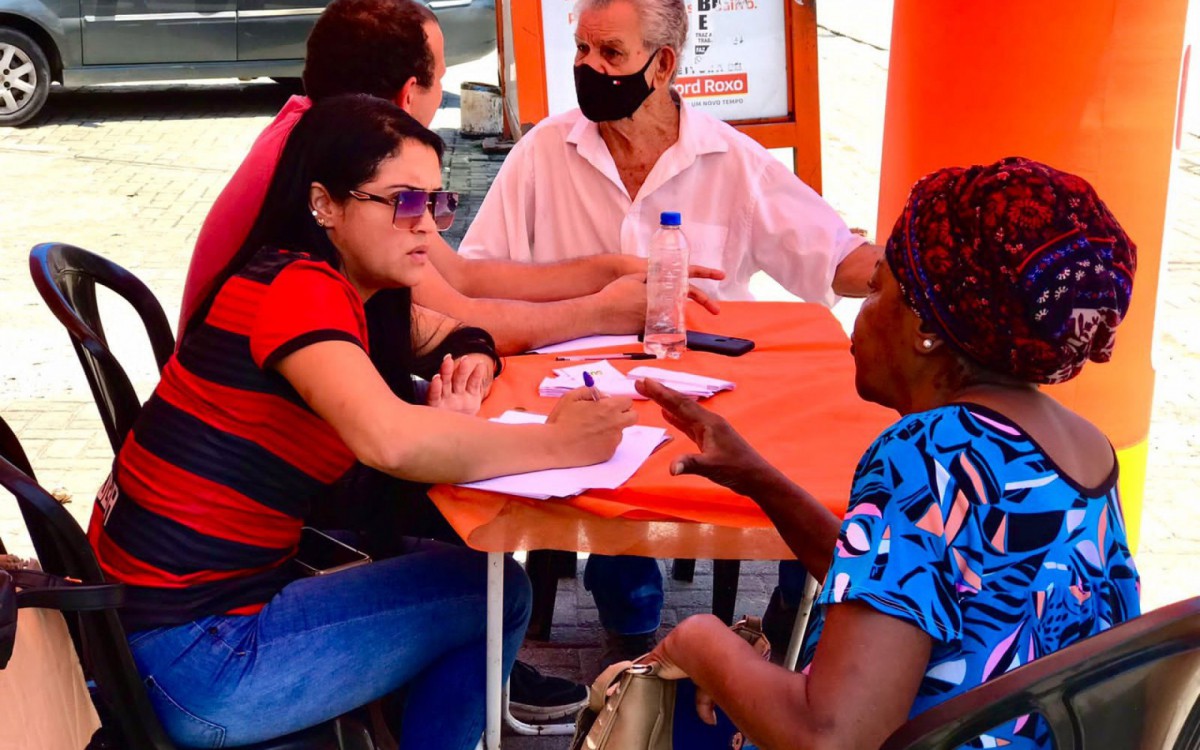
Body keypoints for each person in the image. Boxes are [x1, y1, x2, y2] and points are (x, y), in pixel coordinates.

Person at [88, 94, 637, 749]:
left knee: (452, 567)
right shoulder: (299, 291)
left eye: (438, 204)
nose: (428, 228)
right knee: (496, 593)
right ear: (325, 204)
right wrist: (558, 442)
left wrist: (471, 354)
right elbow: (392, 442)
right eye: (404, 202)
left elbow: (455, 332)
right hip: (194, 659)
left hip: (149, 631)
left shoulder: (320, 286)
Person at [635, 156, 1140, 749]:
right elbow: (912, 592)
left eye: (878, 289)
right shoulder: (1083, 446)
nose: (862, 314)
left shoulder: (929, 453)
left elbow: (832, 737)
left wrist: (697, 641)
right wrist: (760, 481)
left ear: (927, 326)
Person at [458, 0, 880, 662]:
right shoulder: (544, 152)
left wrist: (919, 262)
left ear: (664, 66)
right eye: (582, 51)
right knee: (603, 466)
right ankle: (631, 628)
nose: (589, 68)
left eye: (611, 55)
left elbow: (833, 258)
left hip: (703, 390)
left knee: (835, 477)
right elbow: (475, 275)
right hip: (579, 392)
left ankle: (784, 628)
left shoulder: (732, 161)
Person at [177, 0, 723, 355]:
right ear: (408, 96)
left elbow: (460, 277)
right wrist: (603, 312)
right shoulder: (347, 177)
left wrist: (612, 269)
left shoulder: (311, 132)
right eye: (441, 78)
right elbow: (457, 315)